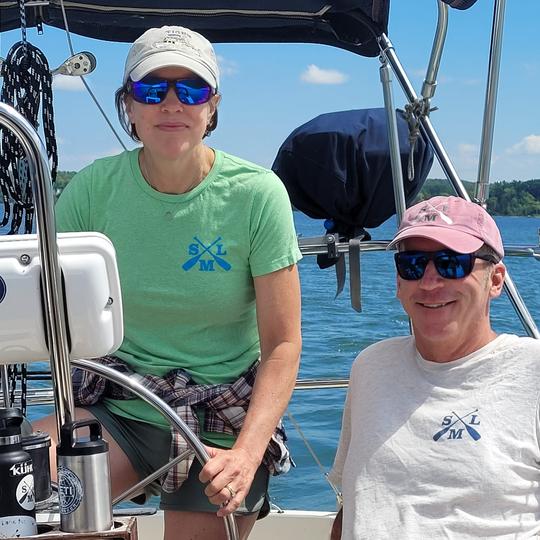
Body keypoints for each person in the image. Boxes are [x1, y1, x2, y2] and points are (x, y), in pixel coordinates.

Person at [35, 25, 302, 540]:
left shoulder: (258, 195)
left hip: (222, 419)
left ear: (212, 107)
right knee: (16, 484)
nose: (172, 104)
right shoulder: (92, 190)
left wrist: (247, 456)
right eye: (153, 90)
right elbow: (43, 300)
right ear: (129, 107)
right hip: (120, 405)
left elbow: (284, 344)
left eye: (192, 90)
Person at [329, 195, 540, 539]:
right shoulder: (371, 367)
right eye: (411, 264)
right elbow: (355, 503)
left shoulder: (532, 371)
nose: (429, 282)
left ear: (496, 279)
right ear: (399, 283)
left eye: (451, 262)